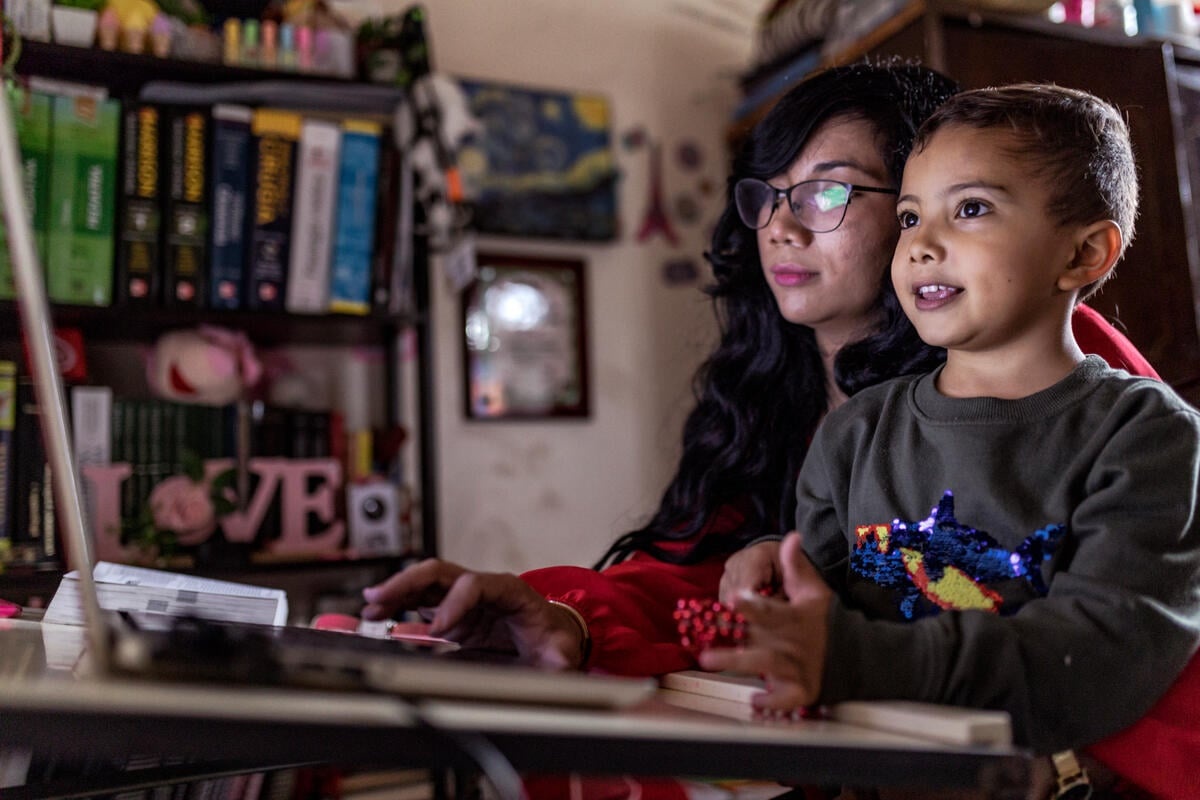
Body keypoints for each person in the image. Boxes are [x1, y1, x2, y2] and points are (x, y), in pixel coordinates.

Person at [362, 62, 1156, 680]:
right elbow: (696, 584)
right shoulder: (780, 395)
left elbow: (1127, 642)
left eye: (827, 191)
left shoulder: (1055, 367)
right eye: (769, 196)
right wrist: (561, 615)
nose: (780, 226)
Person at [697, 83, 1200, 796]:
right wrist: (773, 574)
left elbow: (1098, 657)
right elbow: (820, 612)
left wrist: (849, 658)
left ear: (1085, 253)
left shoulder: (1145, 436)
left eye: (970, 209)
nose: (923, 245)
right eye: (909, 215)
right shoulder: (853, 435)